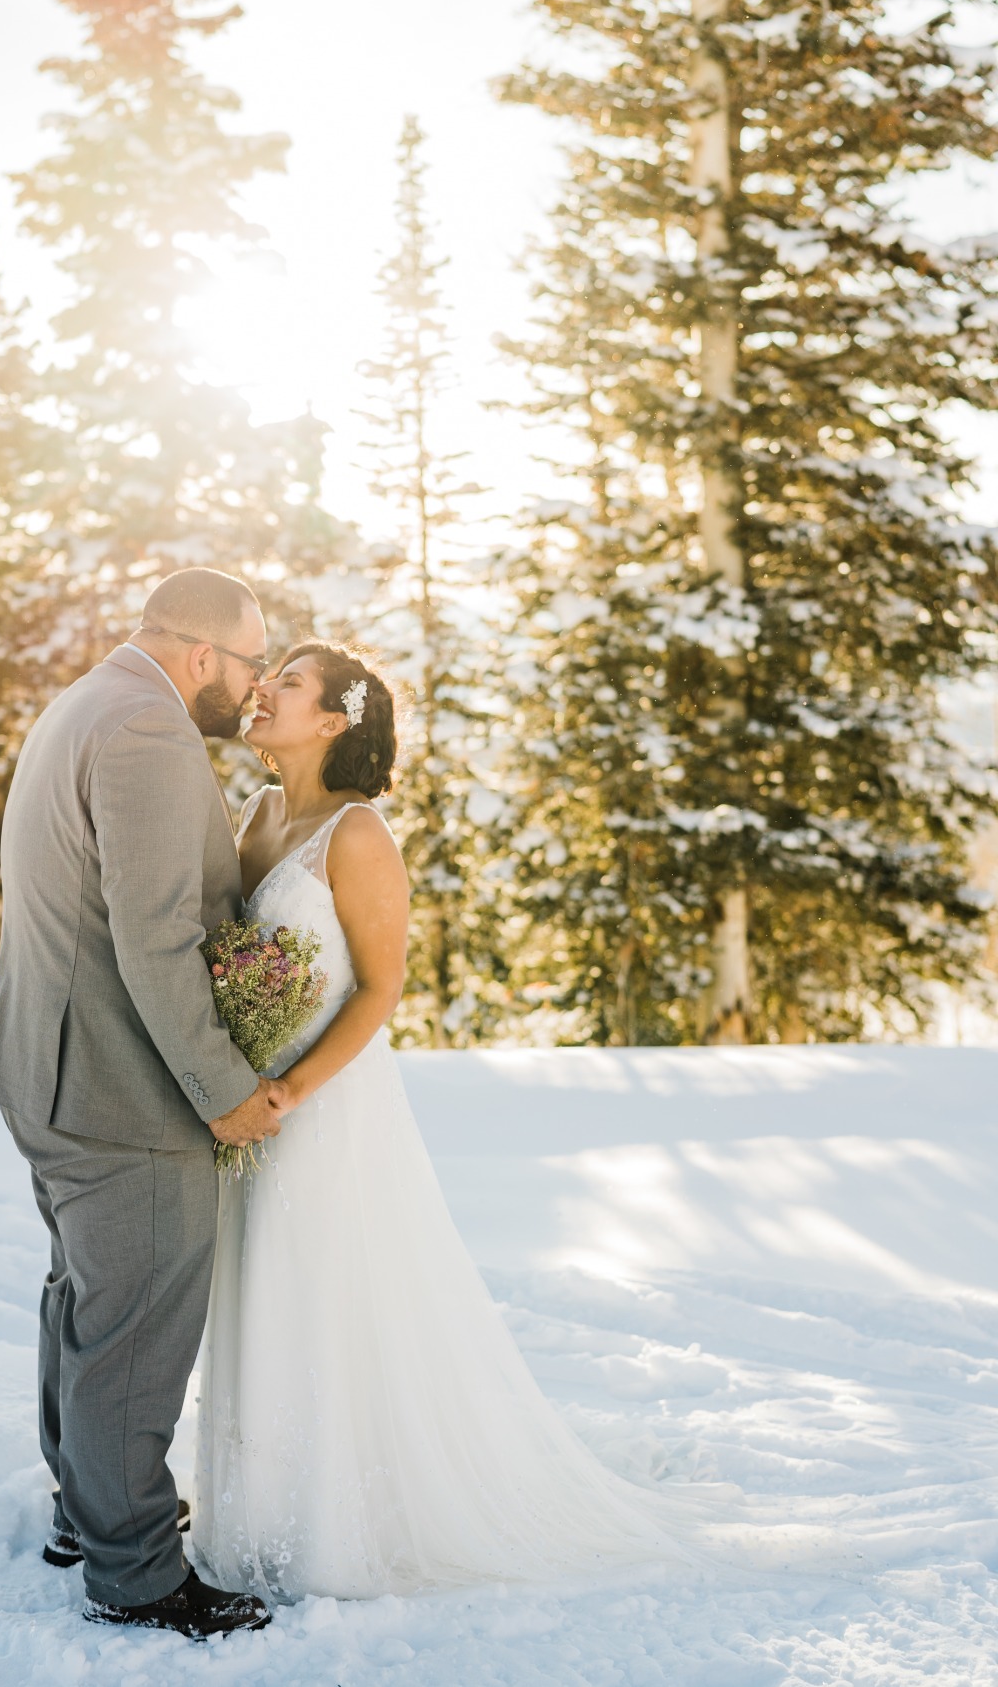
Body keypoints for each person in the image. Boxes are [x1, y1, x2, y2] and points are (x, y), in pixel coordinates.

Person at [192, 643, 692, 1601]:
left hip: (326, 1111)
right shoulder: (257, 813)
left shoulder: (358, 834)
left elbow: (380, 990)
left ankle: (336, 1527)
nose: (261, 692)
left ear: (333, 720)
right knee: (256, 1286)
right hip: (245, 1104)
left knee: (322, 1292)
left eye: (285, 683)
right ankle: (254, 1513)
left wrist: (293, 1092)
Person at [0, 566, 280, 1642]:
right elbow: (157, 941)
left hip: (50, 1067)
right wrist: (227, 1093)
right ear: (203, 656)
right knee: (135, 1333)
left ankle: (85, 1512)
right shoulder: (148, 729)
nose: (253, 691)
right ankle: (139, 1571)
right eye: (249, 668)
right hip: (115, 1083)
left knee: (89, 1306)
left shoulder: (91, 696)